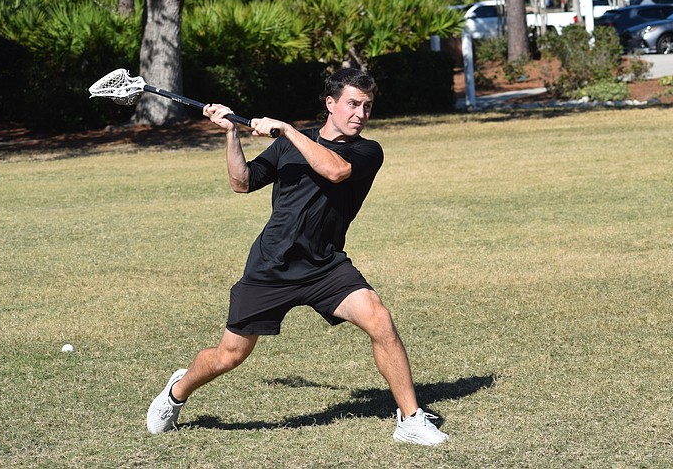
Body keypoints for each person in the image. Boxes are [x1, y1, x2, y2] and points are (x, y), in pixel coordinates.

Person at [146, 68, 448, 446]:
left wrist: (287, 130)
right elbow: (242, 182)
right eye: (353, 104)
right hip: (271, 265)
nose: (360, 114)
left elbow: (335, 171)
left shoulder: (367, 150)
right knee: (229, 356)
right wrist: (231, 133)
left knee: (380, 320)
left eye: (367, 106)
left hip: (325, 266)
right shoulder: (291, 143)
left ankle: (410, 419)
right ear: (330, 104)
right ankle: (177, 391)